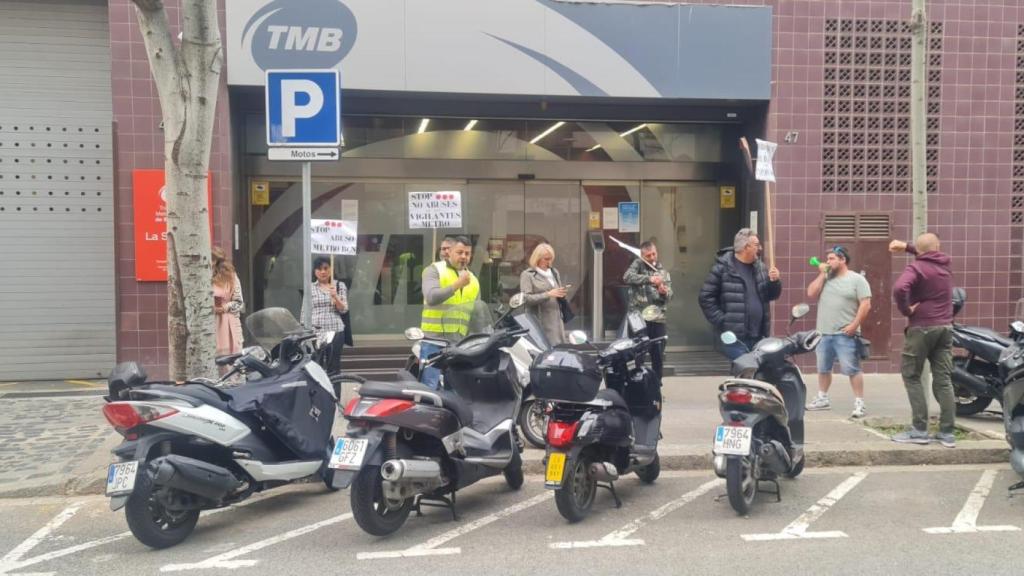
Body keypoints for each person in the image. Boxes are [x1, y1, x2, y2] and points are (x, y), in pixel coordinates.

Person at [889, 232, 956, 448]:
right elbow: (926, 250)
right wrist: (908, 246)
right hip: (945, 328)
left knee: (911, 375)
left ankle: (919, 430)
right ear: (939, 247)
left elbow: (900, 288)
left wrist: (906, 309)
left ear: (920, 250)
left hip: (922, 328)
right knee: (944, 380)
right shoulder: (945, 264)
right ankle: (947, 433)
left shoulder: (916, 268)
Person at [805, 245, 872, 418]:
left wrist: (854, 325)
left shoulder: (857, 279)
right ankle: (822, 398)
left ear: (843, 260)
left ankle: (859, 403)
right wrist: (822, 273)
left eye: (832, 258)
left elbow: (865, 305)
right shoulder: (826, 278)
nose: (828, 262)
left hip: (845, 333)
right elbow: (811, 293)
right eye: (827, 259)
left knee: (852, 369)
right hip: (823, 333)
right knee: (823, 368)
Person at [699, 228, 782, 359]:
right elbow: (705, 297)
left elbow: (771, 295)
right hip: (735, 338)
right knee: (745, 370)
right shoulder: (723, 268)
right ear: (746, 247)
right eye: (756, 245)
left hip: (759, 335)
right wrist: (723, 320)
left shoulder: (760, 268)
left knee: (757, 373)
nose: (760, 248)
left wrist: (774, 282)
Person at [419, 235, 480, 388]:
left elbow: (476, 313)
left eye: (467, 253)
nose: (464, 257)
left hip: (458, 343)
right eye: (460, 252)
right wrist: (456, 285)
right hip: (434, 340)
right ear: (450, 252)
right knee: (429, 387)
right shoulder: (434, 270)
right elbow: (432, 297)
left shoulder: (473, 279)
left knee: (456, 388)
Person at [623, 241, 672, 377]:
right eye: (648, 255)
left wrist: (664, 292)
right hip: (638, 319)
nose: (652, 257)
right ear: (642, 256)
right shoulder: (637, 266)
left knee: (658, 356)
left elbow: (669, 295)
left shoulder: (662, 271)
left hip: (657, 318)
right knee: (637, 355)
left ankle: (656, 388)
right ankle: (637, 385)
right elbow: (627, 277)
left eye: (654, 254)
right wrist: (649, 279)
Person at [301, 257, 348, 374]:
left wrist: (335, 296)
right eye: (319, 269)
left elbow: (344, 309)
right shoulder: (310, 288)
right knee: (317, 366)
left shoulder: (339, 286)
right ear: (315, 271)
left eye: (326, 268)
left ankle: (335, 392)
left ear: (331, 269)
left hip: (335, 331)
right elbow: (304, 312)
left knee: (334, 367)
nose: (323, 272)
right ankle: (320, 392)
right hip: (315, 332)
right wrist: (304, 333)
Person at [520, 243, 567, 345]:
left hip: (556, 319)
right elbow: (525, 298)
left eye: (551, 258)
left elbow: (556, 291)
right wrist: (548, 294)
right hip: (540, 319)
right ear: (537, 258)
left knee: (558, 348)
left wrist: (561, 293)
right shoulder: (528, 275)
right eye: (546, 259)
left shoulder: (554, 272)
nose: (549, 262)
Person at [212, 246, 244, 357]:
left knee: (231, 361)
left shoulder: (231, 277)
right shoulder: (201, 277)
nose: (210, 263)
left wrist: (224, 308)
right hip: (209, 324)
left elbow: (239, 303)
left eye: (213, 259)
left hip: (229, 324)